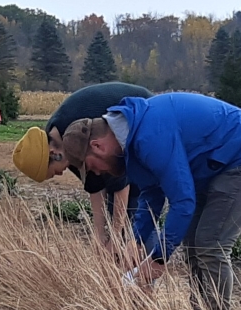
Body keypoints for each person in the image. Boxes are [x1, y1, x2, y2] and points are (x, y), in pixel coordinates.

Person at [62, 93, 241, 310]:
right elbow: (152, 192)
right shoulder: (131, 140)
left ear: (98, 146)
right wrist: (136, 240)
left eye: (92, 166)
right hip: (214, 166)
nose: (99, 173)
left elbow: (183, 202)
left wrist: (158, 258)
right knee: (193, 243)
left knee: (209, 243)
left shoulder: (149, 135)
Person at [11, 82, 152, 253]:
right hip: (124, 145)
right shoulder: (59, 141)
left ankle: (145, 266)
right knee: (115, 220)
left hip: (147, 123)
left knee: (137, 211)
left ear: (53, 154)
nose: (61, 173)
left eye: (54, 172)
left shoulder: (76, 132)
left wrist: (115, 235)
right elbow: (95, 184)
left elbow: (120, 184)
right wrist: (99, 236)